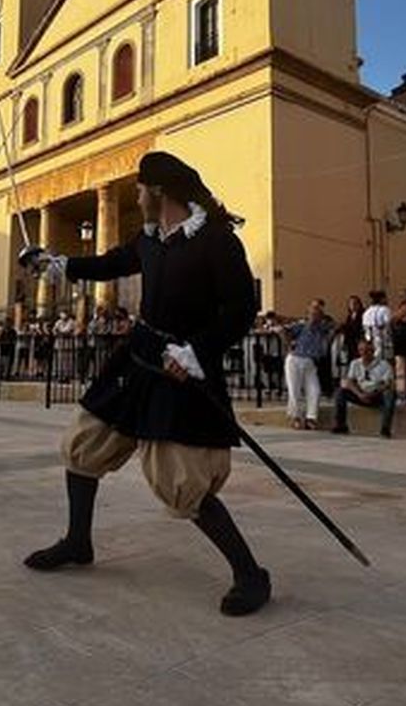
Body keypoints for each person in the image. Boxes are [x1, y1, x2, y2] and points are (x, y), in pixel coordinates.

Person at [21, 152, 270, 616]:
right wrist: (57, 265)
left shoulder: (217, 240)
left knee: (182, 480)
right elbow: (110, 263)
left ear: (158, 191)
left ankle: (250, 575)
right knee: (85, 444)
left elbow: (240, 311)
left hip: (183, 366)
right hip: (136, 358)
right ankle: (78, 541)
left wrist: (196, 351)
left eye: (140, 188)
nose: (135, 195)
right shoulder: (150, 239)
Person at [332, 339, 398, 438]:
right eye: (361, 350)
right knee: (340, 392)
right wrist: (359, 394)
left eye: (367, 350)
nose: (364, 353)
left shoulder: (384, 365)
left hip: (376, 395)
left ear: (373, 351)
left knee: (389, 394)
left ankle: (385, 429)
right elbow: (350, 382)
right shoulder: (355, 363)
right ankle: (341, 425)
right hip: (361, 394)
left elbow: (387, 384)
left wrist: (372, 393)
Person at [283, 301, 332, 430]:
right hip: (295, 358)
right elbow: (285, 331)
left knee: (315, 390)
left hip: (310, 361)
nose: (316, 314)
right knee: (294, 390)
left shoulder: (322, 328)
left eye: (318, 312)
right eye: (313, 311)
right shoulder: (301, 325)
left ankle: (311, 417)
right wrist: (289, 345)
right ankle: (296, 417)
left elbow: (334, 327)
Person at [362, 290, 393, 361]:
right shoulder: (385, 310)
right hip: (383, 341)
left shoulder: (366, 312)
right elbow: (389, 324)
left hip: (369, 341)